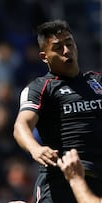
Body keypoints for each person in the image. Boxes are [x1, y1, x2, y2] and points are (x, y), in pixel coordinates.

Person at [13, 19, 102, 203]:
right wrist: (35, 149)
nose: (67, 51)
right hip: (61, 183)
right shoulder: (40, 87)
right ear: (44, 57)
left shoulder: (97, 81)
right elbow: (21, 125)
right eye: (58, 47)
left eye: (69, 44)